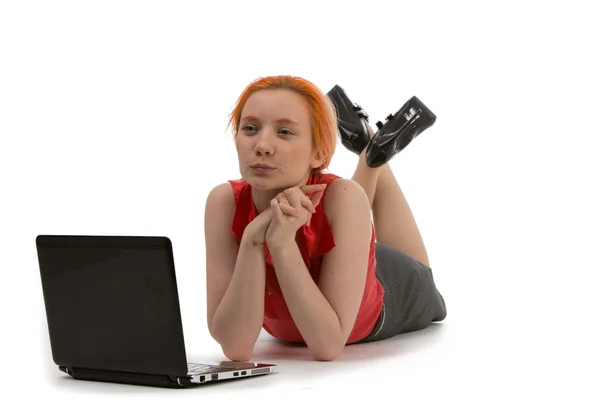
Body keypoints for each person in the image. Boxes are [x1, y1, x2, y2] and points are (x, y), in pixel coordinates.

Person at [204, 75, 447, 362]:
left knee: (428, 284)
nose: (262, 145)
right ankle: (373, 151)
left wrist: (281, 243)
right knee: (350, 201)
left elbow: (327, 346)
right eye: (250, 128)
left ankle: (373, 157)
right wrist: (253, 238)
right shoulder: (224, 202)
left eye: (284, 132)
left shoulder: (344, 197)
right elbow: (236, 348)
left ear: (319, 154)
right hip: (344, 248)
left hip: (389, 285)